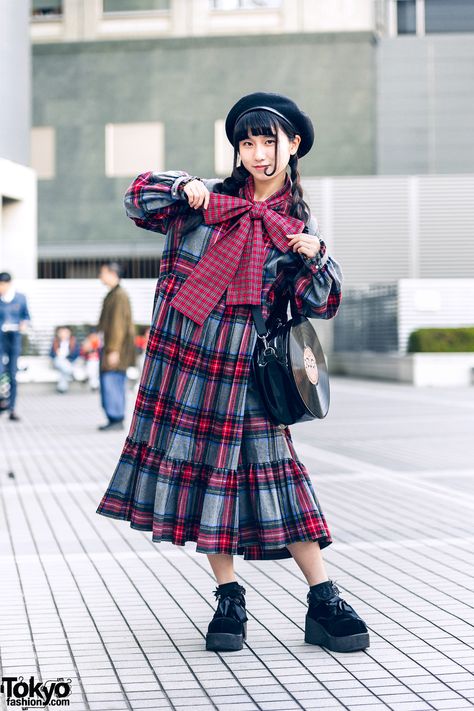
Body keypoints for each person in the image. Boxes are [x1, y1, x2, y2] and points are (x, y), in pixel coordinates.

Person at [95, 92, 369, 654]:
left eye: (269, 141)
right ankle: (229, 597)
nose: (258, 153)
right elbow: (135, 199)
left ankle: (323, 598)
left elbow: (322, 302)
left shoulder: (297, 226)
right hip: (188, 363)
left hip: (248, 370)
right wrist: (180, 185)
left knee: (278, 477)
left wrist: (316, 255)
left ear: (293, 146)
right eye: (248, 142)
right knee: (206, 476)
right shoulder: (205, 201)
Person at [97, 261, 136, 431]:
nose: (100, 276)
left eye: (103, 273)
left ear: (113, 274)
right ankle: (113, 417)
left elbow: (118, 326)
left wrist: (114, 350)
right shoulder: (113, 294)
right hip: (112, 348)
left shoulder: (119, 295)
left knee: (113, 381)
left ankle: (116, 417)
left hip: (116, 349)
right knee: (110, 381)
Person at [0, 272, 31, 421]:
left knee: (12, 375)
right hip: (0, 338)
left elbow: (26, 316)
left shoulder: (20, 298)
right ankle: (2, 402)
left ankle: (12, 408)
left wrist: (24, 324)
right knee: (0, 373)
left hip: (14, 338)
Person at [49, 326, 81, 393]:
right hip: (58, 362)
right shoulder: (55, 342)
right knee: (60, 361)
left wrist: (68, 357)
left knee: (63, 370)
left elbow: (76, 353)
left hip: (68, 362)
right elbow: (51, 355)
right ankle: (71, 372)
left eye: (65, 332)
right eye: (61, 332)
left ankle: (62, 388)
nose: (63, 334)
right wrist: (56, 353)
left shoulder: (73, 341)